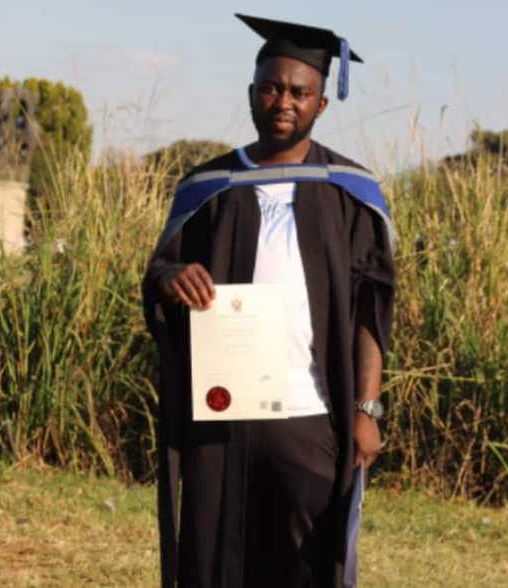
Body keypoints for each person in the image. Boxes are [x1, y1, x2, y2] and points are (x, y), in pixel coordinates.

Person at [142, 14, 394, 588]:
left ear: (321, 105)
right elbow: (157, 274)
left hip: (311, 414)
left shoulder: (349, 191)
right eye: (271, 88)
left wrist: (367, 410)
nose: (283, 102)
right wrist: (172, 278)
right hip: (222, 414)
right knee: (215, 560)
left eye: (299, 93)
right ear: (252, 93)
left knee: (308, 564)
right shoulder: (207, 187)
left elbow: (370, 311)